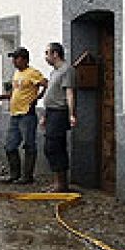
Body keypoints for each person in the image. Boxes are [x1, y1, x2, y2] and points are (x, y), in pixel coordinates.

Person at [0, 47, 47, 183]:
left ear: (24, 59)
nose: (14, 61)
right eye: (13, 58)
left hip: (27, 114)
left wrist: (38, 98)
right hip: (15, 114)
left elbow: (46, 84)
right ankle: (15, 174)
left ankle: (27, 176)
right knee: (10, 145)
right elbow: (17, 92)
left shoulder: (32, 73)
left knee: (29, 145)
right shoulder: (17, 74)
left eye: (16, 58)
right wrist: (4, 97)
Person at [40, 42, 77, 191]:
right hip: (51, 112)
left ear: (55, 54)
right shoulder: (54, 72)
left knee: (54, 146)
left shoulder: (67, 70)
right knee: (51, 147)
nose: (45, 57)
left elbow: (69, 93)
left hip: (60, 112)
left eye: (47, 53)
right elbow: (50, 94)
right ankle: (57, 181)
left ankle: (61, 184)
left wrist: (71, 114)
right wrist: (44, 115)